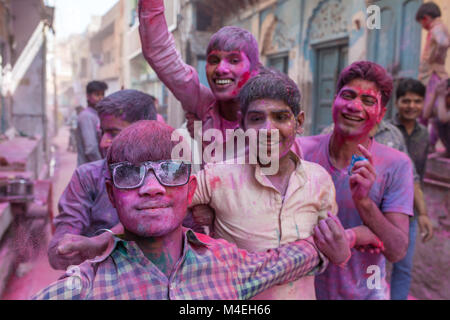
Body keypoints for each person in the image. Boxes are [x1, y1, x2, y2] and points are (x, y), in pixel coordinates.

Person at [32, 120, 350, 300]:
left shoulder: (226, 264)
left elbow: (282, 262)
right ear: (112, 195)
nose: (152, 187)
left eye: (170, 171)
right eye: (130, 175)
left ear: (191, 190)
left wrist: (332, 247)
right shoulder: (85, 288)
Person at [190, 69, 383, 300]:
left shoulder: (318, 180)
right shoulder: (216, 177)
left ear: (298, 122)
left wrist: (342, 250)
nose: (268, 130)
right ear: (242, 125)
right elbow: (167, 203)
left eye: (280, 117)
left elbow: (330, 248)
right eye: (256, 119)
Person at [299, 61, 414, 300]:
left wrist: (364, 203)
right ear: (335, 101)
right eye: (348, 95)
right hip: (304, 293)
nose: (354, 106)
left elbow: (397, 250)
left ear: (381, 114)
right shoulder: (302, 152)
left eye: (368, 101)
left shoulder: (396, 165)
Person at [137, 0, 302, 159]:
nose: (220, 69)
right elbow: (159, 53)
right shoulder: (203, 105)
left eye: (234, 60)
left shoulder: (271, 118)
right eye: (214, 61)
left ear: (255, 69)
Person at [48, 90, 157, 270]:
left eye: (114, 133)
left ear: (144, 133)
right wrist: (68, 247)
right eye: (103, 133)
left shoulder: (169, 178)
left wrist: (101, 242)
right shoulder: (87, 177)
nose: (103, 143)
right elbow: (58, 251)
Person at [388, 78, 434, 300]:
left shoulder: (424, 134)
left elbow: (418, 175)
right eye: (406, 101)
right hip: (383, 210)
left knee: (403, 268)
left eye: (417, 101)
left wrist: (422, 212)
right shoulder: (386, 132)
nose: (411, 106)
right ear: (397, 103)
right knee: (371, 264)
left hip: (410, 213)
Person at [416, 2, 450, 150]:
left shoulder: (436, 27)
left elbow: (443, 43)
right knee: (428, 113)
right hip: (432, 75)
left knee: (432, 112)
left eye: (421, 23)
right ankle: (426, 143)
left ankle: (426, 143)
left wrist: (435, 56)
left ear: (425, 18)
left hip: (433, 76)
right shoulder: (438, 27)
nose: (422, 27)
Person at [75, 81, 108, 166]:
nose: (101, 98)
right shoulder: (86, 116)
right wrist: (104, 167)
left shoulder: (97, 114)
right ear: (88, 96)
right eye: (97, 95)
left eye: (102, 94)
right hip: (89, 171)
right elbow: (91, 149)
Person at [423, 77, 450, 157]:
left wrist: (441, 96)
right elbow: (426, 115)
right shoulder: (443, 104)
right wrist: (435, 94)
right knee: (436, 120)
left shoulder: (442, 99)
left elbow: (443, 119)